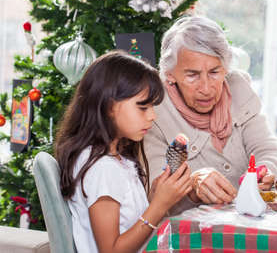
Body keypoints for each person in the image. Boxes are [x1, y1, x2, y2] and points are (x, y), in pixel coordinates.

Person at [144, 16, 277, 215]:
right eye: (192, 75)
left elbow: (269, 150)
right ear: (170, 74)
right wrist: (194, 187)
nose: (206, 88)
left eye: (214, 72)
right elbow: (156, 197)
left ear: (226, 68)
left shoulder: (239, 90)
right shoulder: (154, 114)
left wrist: (265, 171)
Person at [55, 51, 192, 253]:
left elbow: (127, 222)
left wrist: (155, 198)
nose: (152, 116)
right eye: (143, 107)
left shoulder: (114, 159)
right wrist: (159, 206)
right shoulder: (102, 168)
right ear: (109, 105)